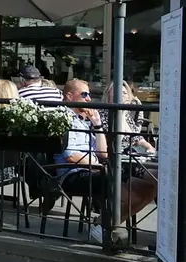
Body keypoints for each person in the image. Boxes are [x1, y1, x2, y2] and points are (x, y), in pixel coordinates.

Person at [58, 79, 157, 244]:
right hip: (74, 174)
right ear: (70, 96)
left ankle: (102, 224)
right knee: (132, 186)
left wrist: (97, 126)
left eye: (89, 95)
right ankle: (105, 226)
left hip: (96, 168)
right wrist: (100, 166)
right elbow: (71, 156)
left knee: (149, 188)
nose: (89, 99)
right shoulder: (64, 118)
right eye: (84, 94)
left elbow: (102, 153)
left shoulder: (83, 120)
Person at [100, 81, 156, 155]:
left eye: (124, 93)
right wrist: (121, 113)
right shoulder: (103, 114)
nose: (122, 95)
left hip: (130, 154)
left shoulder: (126, 115)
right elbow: (116, 140)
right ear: (108, 95)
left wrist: (149, 147)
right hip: (115, 155)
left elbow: (137, 137)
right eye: (118, 92)